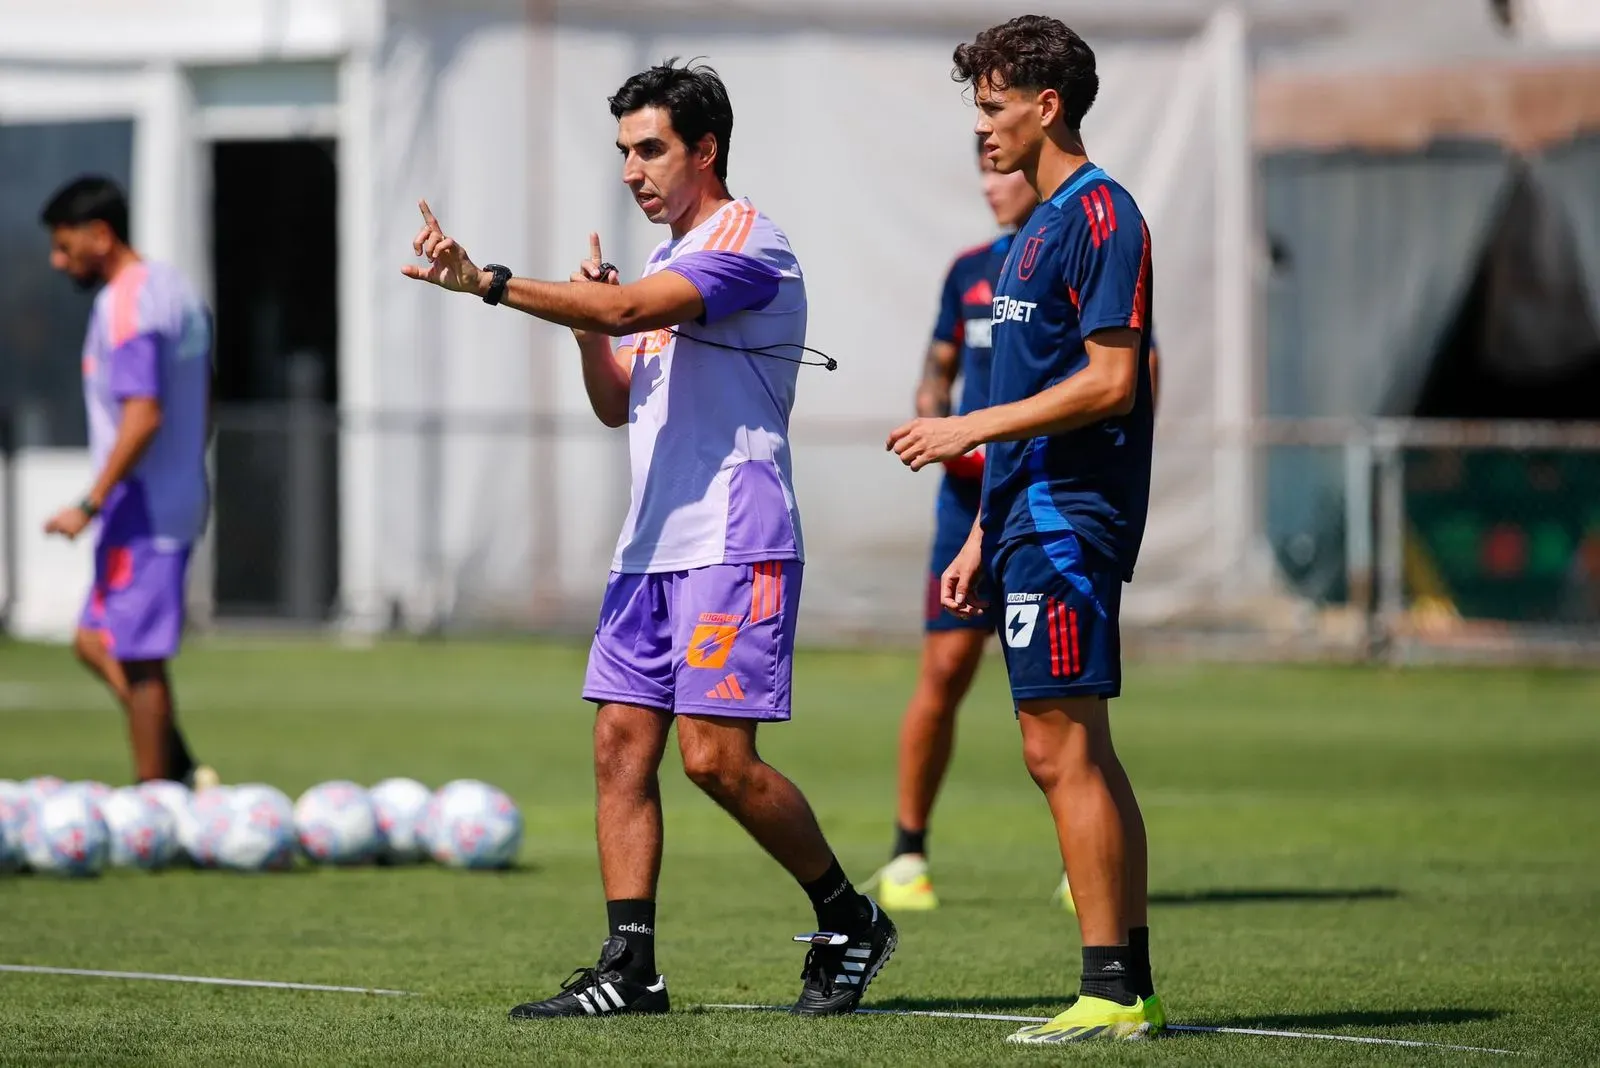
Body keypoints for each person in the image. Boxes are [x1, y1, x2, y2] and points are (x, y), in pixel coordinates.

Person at [401, 59, 896, 1019]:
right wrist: (590, 334)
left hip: (733, 538)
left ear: (704, 149)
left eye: (650, 148)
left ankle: (849, 917)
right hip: (649, 550)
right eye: (624, 151)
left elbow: (630, 310)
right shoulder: (667, 270)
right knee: (620, 748)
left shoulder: (751, 244)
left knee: (716, 760)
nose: (632, 169)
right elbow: (617, 401)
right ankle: (631, 968)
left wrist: (491, 282)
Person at [888, 17, 1163, 1043]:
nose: (981, 128)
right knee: (1077, 747)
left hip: (1067, 523)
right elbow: (1033, 380)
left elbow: (1109, 380)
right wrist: (975, 534)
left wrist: (967, 425)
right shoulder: (1034, 230)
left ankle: (1108, 992)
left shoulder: (1102, 216)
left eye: (993, 107)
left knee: (1058, 750)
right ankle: (1127, 987)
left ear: (1046, 107)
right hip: (1021, 521)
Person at [868, 138, 1039, 912]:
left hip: (1041, 498)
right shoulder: (969, 272)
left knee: (1052, 695)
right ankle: (907, 854)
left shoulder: (1075, 258)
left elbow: (1133, 373)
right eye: (981, 168)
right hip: (964, 505)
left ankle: (1084, 864)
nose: (989, 184)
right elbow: (936, 366)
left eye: (1000, 167)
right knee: (941, 675)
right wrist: (934, 410)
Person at [40, 177, 218, 791]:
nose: (58, 261)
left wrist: (89, 503)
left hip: (142, 501)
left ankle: (156, 801)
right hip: (164, 493)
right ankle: (182, 768)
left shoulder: (127, 302)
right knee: (95, 640)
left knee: (140, 658)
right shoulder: (178, 291)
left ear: (101, 235)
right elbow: (205, 397)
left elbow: (144, 413)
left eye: (66, 248)